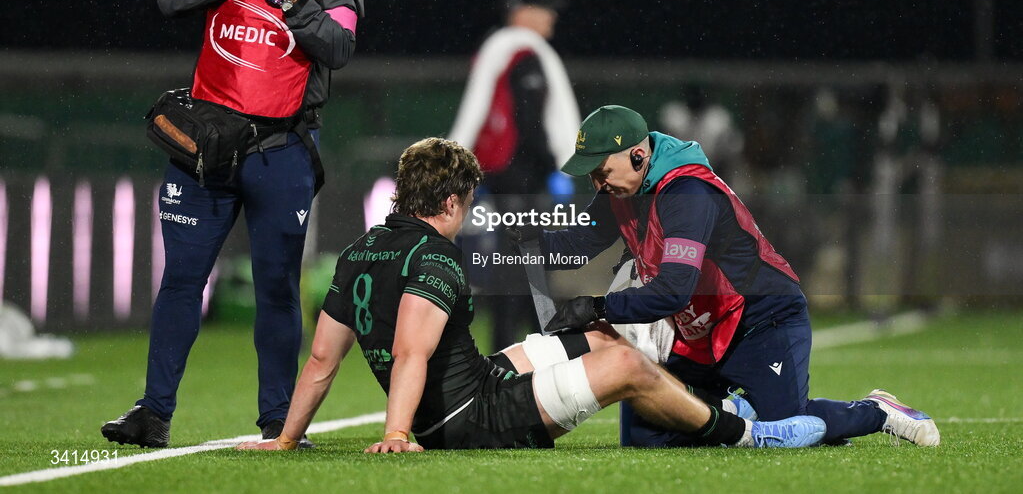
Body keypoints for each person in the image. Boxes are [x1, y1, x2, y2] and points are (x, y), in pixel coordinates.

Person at [237, 138, 826, 453]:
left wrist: (287, 437)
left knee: (595, 338)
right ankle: (748, 432)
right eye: (465, 201)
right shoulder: (434, 256)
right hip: (471, 417)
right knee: (623, 362)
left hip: (474, 386)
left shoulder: (360, 251)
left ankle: (715, 409)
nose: (467, 212)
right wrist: (395, 436)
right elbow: (411, 353)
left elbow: (321, 359)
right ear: (448, 203)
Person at [101, 0, 363, 448]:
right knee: (182, 280)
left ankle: (279, 424)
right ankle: (153, 414)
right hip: (206, 151)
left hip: (283, 150)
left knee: (277, 287)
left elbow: (341, 45)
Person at [537, 105, 940, 448]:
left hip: (761, 319)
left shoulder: (687, 194)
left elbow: (674, 291)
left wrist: (596, 307)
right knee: (646, 436)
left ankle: (876, 411)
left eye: (601, 170)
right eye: (591, 175)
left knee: (786, 424)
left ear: (639, 155)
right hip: (701, 332)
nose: (597, 183)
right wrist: (518, 240)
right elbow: (580, 240)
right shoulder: (621, 188)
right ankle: (733, 409)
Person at [449, 0, 580, 349]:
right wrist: (556, 167)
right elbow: (531, 122)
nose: (552, 16)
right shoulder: (522, 51)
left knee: (518, 264)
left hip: (506, 176)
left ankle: (515, 348)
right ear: (523, 12)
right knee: (529, 266)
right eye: (546, 8)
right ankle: (529, 347)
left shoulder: (498, 49)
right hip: (523, 177)